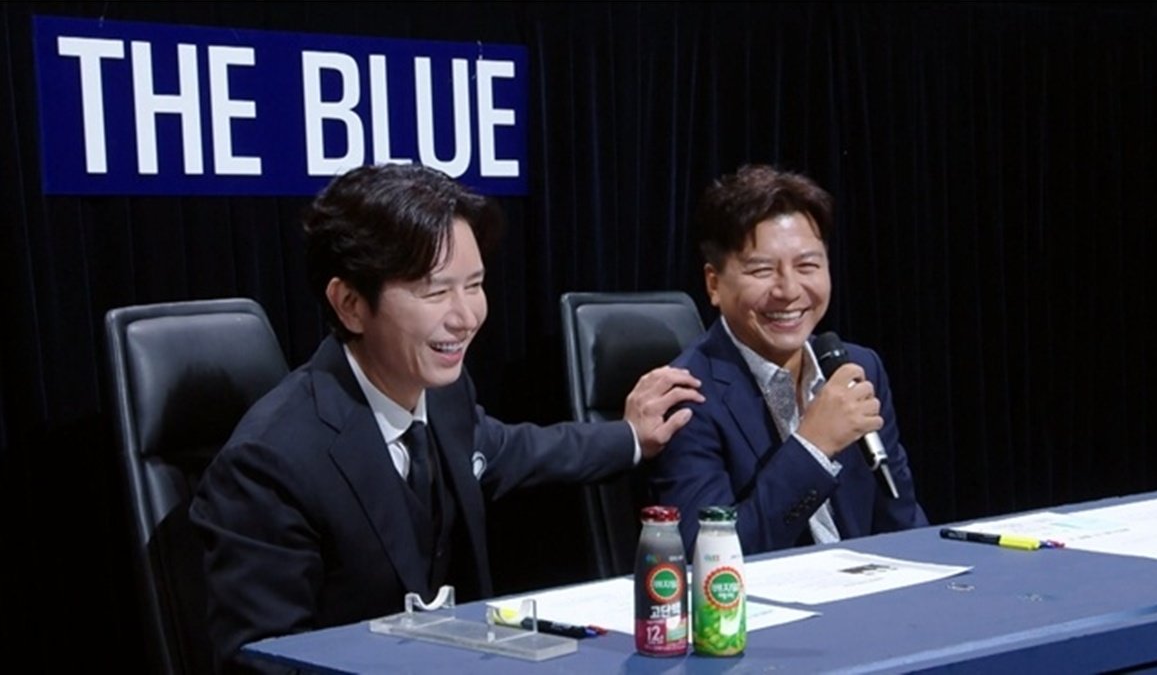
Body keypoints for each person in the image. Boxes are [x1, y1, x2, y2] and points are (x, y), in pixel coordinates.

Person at [190, 163, 704, 673]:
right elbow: (262, 662)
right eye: (435, 292)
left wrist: (630, 436)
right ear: (350, 304)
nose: (465, 317)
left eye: (474, 285)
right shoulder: (270, 462)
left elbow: (514, 450)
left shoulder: (444, 394)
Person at [647, 164, 926, 557]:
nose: (789, 290)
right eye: (762, 270)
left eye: (808, 266)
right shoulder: (686, 394)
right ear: (714, 284)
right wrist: (813, 446)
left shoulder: (859, 369)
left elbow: (902, 520)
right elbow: (707, 557)